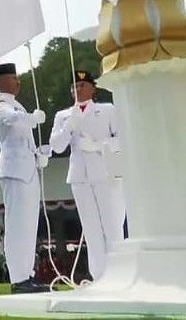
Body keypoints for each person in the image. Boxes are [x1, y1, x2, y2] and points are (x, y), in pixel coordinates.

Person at [48, 70, 124, 281]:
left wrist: (98, 146)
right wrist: (68, 127)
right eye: (74, 86)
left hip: (106, 172)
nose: (78, 89)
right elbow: (56, 146)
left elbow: (122, 139)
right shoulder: (63, 115)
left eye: (82, 85)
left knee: (112, 226)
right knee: (91, 229)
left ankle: (119, 274)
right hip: (80, 175)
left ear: (93, 88)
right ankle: (99, 276)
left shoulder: (107, 110)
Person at [0, 62, 49, 293]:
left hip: (29, 170)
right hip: (14, 170)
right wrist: (32, 118)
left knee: (29, 225)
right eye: (13, 78)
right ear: (0, 82)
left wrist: (39, 154)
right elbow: (10, 119)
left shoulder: (18, 105)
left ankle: (28, 274)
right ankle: (18, 278)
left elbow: (24, 139)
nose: (18, 82)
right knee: (16, 225)